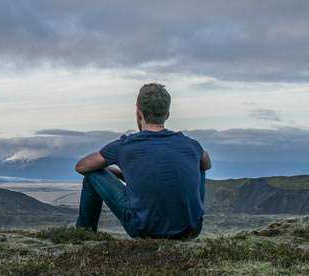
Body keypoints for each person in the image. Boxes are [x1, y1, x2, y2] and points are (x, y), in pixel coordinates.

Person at [74, 83, 212, 239]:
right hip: (191, 229)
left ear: (138, 113)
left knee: (92, 176)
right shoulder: (190, 145)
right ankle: (188, 218)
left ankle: (83, 236)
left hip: (143, 229)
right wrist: (124, 174)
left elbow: (81, 167)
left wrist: (107, 169)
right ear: (167, 114)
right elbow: (207, 164)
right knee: (199, 165)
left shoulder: (125, 145)